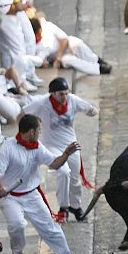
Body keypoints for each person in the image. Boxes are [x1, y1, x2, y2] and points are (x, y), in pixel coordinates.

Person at [0, 114, 81, 254]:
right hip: (10, 197)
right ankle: (17, 252)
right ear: (31, 132)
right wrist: (0, 186)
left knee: (53, 231)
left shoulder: (37, 147)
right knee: (17, 225)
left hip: (32, 195)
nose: (40, 132)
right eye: (39, 129)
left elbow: (54, 164)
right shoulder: (8, 147)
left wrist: (66, 154)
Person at [23, 77, 99, 219]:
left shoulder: (73, 100)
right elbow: (22, 114)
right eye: (61, 94)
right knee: (63, 172)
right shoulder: (42, 103)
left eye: (66, 93)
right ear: (52, 93)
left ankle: (75, 207)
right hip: (51, 146)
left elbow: (89, 109)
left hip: (71, 144)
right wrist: (26, 134)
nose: (64, 97)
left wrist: (94, 111)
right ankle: (64, 207)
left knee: (75, 178)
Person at [31, 15, 112, 76]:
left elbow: (64, 39)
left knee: (76, 43)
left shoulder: (47, 26)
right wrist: (42, 64)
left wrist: (58, 56)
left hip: (65, 47)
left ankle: (96, 60)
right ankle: (98, 69)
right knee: (67, 60)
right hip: (60, 58)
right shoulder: (33, 46)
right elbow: (37, 60)